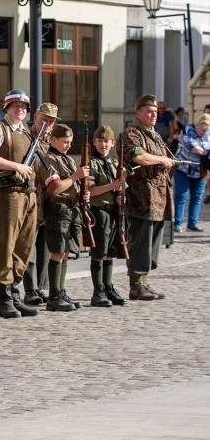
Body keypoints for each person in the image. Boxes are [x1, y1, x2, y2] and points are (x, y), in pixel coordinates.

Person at [0, 89, 39, 319]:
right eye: (15, 106)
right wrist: (16, 167)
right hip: (8, 194)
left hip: (28, 194)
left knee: (23, 246)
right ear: (6, 108)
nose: (20, 109)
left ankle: (14, 294)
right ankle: (4, 298)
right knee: (5, 245)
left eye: (24, 107)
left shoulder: (26, 132)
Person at [122, 94, 175, 301]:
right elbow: (138, 156)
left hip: (159, 197)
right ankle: (136, 284)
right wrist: (161, 159)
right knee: (141, 241)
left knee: (153, 242)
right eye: (149, 111)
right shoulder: (132, 133)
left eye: (155, 112)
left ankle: (144, 281)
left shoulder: (154, 135)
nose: (153, 115)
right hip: (141, 197)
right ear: (138, 113)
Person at [37, 124, 88, 312]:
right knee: (57, 252)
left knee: (65, 251)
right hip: (57, 209)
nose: (68, 145)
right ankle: (54, 295)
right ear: (53, 140)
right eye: (65, 142)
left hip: (70, 209)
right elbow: (55, 188)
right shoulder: (49, 160)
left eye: (70, 142)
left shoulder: (67, 159)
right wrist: (75, 177)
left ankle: (61, 290)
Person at [22, 103, 58, 306]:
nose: (48, 123)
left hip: (48, 200)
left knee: (44, 246)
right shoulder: (27, 137)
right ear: (35, 116)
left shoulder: (49, 141)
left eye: (51, 120)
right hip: (31, 198)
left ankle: (40, 287)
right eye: (44, 119)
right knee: (29, 247)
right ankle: (29, 289)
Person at [87, 125, 127, 307]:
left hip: (113, 211)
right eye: (100, 141)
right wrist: (113, 187)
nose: (103, 145)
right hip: (99, 211)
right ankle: (98, 290)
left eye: (107, 141)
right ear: (94, 142)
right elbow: (90, 191)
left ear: (113, 143)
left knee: (110, 250)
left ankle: (108, 286)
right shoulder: (91, 163)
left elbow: (122, 187)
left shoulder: (113, 163)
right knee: (100, 251)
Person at [172, 114, 210, 232]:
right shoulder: (188, 129)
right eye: (202, 129)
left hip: (200, 171)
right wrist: (206, 152)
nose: (204, 132)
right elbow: (192, 147)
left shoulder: (208, 133)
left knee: (197, 197)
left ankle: (192, 224)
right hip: (183, 169)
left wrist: (202, 151)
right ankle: (178, 224)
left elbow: (199, 149)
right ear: (197, 125)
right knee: (181, 197)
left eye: (206, 130)